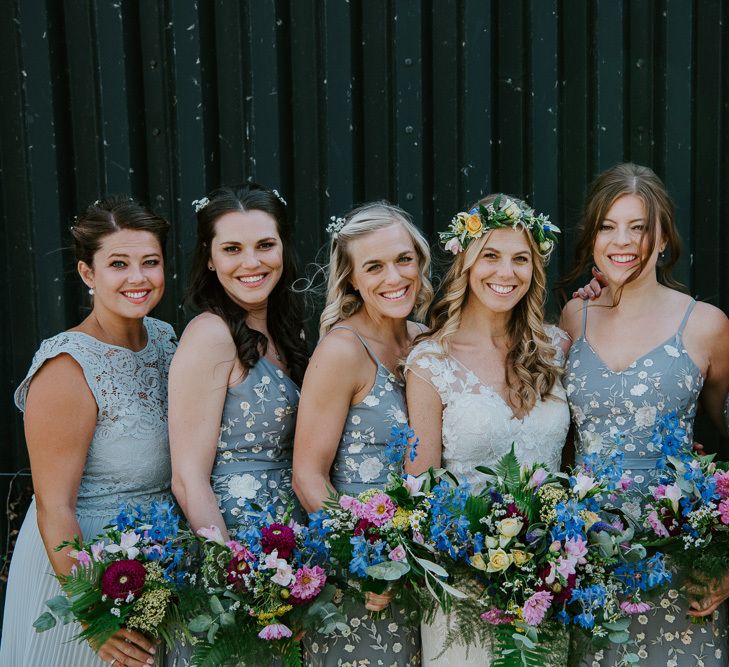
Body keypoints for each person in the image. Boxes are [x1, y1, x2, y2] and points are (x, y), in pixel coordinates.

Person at [560, 162, 729, 666]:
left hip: (681, 563)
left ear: (662, 238)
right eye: (608, 226)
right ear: (591, 238)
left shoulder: (705, 325)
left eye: (638, 227)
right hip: (588, 562)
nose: (623, 240)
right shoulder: (573, 317)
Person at [0, 197, 176, 667]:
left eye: (150, 262)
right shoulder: (67, 367)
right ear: (87, 274)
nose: (138, 278)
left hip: (158, 569)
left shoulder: (165, 340)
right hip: (82, 576)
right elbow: (54, 507)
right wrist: (94, 616)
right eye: (118, 264)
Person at [404, 194, 570, 665]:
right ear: (465, 261)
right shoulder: (431, 362)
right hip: (461, 589)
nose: (506, 272)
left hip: (546, 585)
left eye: (521, 259)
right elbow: (422, 486)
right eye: (491, 256)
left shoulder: (556, 348)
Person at [292, 202, 432, 666]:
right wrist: (372, 559)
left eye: (403, 260)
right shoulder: (342, 351)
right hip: (360, 581)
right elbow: (308, 478)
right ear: (352, 279)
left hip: (419, 573)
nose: (394, 277)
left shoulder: (425, 339)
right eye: (374, 266)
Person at [169, 184, 307, 546]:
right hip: (240, 544)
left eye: (265, 245)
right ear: (210, 258)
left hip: (296, 542)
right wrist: (230, 565)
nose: (251, 263)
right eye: (232, 249)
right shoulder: (210, 335)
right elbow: (187, 478)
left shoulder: (291, 331)